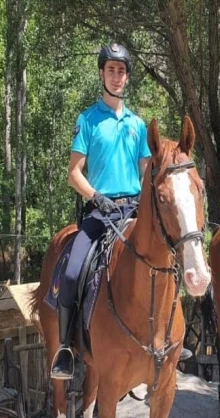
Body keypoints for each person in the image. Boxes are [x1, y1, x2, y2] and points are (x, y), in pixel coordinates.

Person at [51, 43, 154, 380]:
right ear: (101, 74)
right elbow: (73, 172)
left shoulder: (139, 125)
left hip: (134, 211)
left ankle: (166, 337)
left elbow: (145, 172)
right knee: (70, 274)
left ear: (127, 77)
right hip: (100, 212)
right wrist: (96, 197)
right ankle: (66, 348)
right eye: (110, 69)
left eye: (121, 70)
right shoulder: (88, 120)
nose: (116, 76)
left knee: (168, 261)